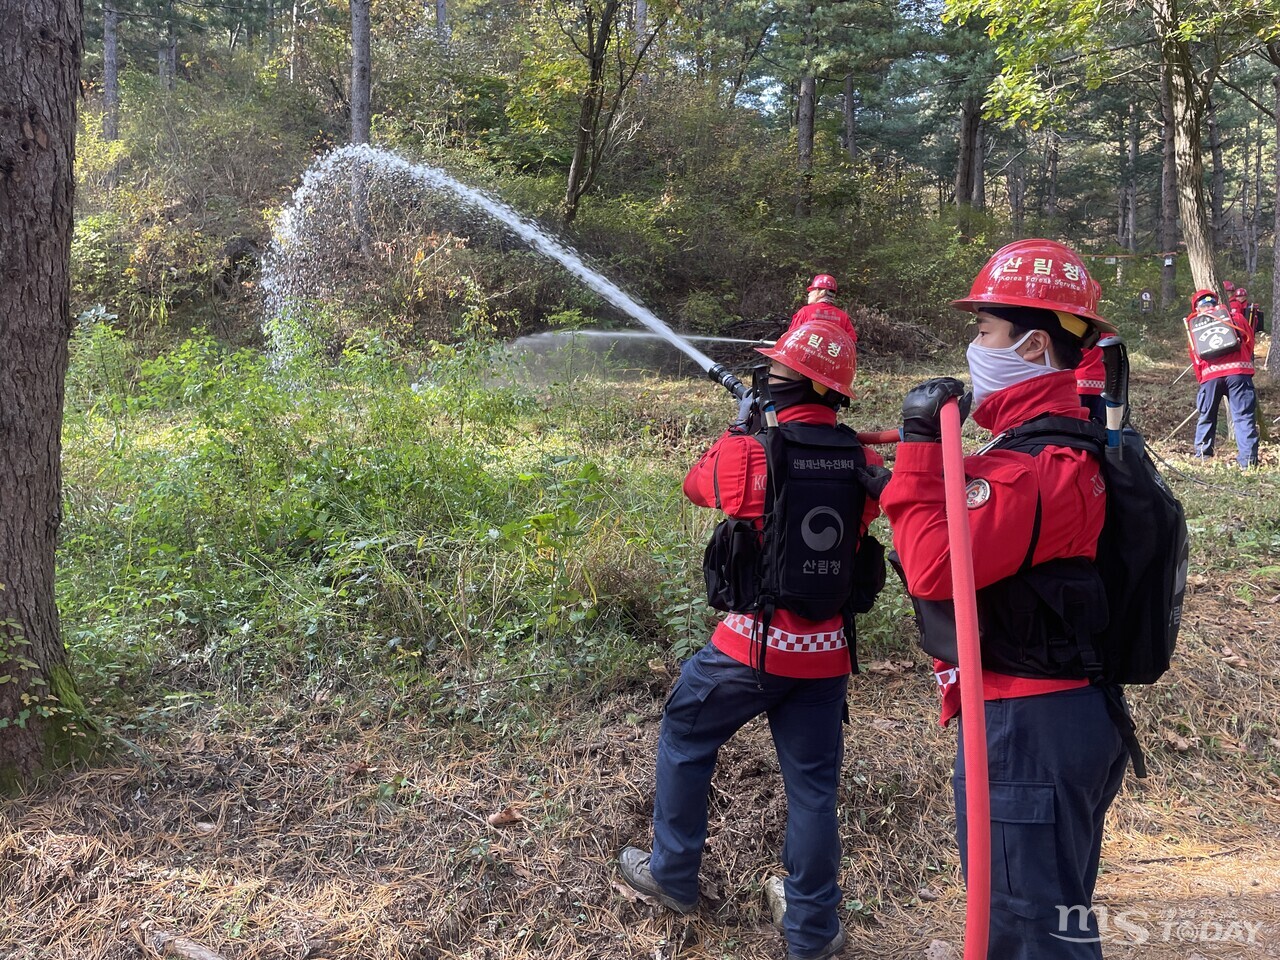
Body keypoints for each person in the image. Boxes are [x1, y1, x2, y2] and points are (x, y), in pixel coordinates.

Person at [879, 238, 1130, 958]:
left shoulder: (1034, 466)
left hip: (1028, 726)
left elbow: (933, 567)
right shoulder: (1044, 444)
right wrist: (901, 482)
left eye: (983, 332)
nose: (973, 346)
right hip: (1052, 716)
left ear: (1030, 346)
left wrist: (923, 453)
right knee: (1048, 917)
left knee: (1030, 936)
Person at [619, 318, 883, 960]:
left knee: (684, 734)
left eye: (774, 372)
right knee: (815, 789)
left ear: (786, 383)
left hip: (748, 649)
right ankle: (813, 931)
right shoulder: (865, 459)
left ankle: (673, 873)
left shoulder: (749, 450)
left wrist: (742, 428)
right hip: (826, 658)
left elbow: (696, 485)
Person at [1184, 288, 1258, 468]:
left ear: (1197, 307)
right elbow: (1249, 341)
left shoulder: (1193, 325)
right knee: (1243, 417)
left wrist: (1202, 378)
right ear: (1216, 303)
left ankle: (1203, 455)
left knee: (1207, 416)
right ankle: (1248, 461)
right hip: (1239, 374)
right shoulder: (1235, 317)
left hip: (1210, 376)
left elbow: (1195, 356)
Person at [787, 274, 857, 341]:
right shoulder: (843, 316)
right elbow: (851, 341)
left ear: (821, 292)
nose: (809, 294)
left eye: (812, 290)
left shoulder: (805, 311)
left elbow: (792, 336)